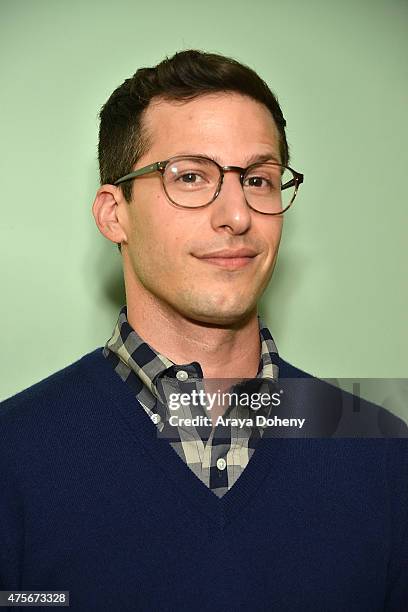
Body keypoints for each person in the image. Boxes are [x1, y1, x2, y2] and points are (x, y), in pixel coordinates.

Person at [0, 50, 407, 611]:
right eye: (190, 176)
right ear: (114, 213)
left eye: (259, 180)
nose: (237, 215)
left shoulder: (382, 449)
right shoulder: (13, 452)